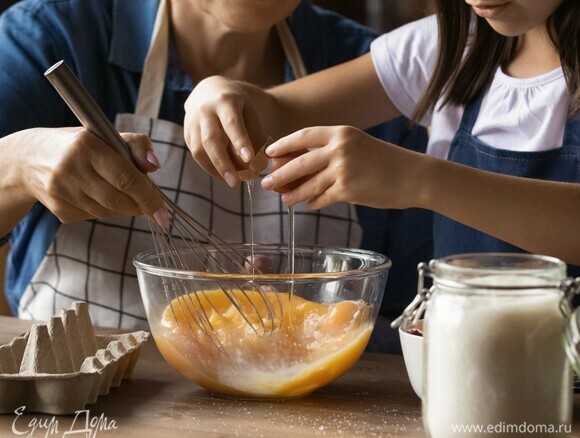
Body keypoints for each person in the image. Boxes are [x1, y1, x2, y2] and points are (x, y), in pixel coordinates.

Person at [0, 0, 431, 350]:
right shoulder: (53, 37)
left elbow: (403, 317)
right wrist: (18, 164)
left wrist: (301, 321)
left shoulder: (381, 78)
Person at [184, 0, 580, 286]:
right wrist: (220, 92)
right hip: (461, 372)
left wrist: (417, 180)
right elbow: (279, 110)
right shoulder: (448, 46)